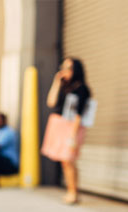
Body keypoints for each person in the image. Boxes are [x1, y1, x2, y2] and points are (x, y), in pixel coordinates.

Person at [40, 57, 91, 204]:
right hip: (59, 125)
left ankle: (74, 192)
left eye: (68, 68)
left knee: (69, 160)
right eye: (63, 67)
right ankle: (71, 191)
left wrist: (73, 136)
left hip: (72, 127)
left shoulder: (82, 89)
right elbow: (51, 101)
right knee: (64, 161)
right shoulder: (63, 85)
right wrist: (56, 81)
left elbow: (79, 114)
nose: (64, 71)